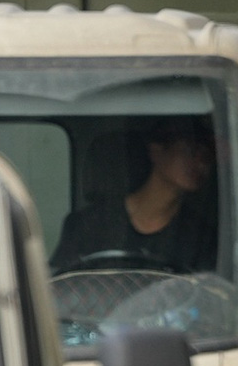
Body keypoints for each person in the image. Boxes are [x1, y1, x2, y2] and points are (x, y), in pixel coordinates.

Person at [49, 117, 219, 275]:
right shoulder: (87, 224)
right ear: (156, 151)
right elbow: (63, 286)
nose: (200, 163)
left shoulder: (201, 237)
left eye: (206, 156)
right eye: (190, 151)